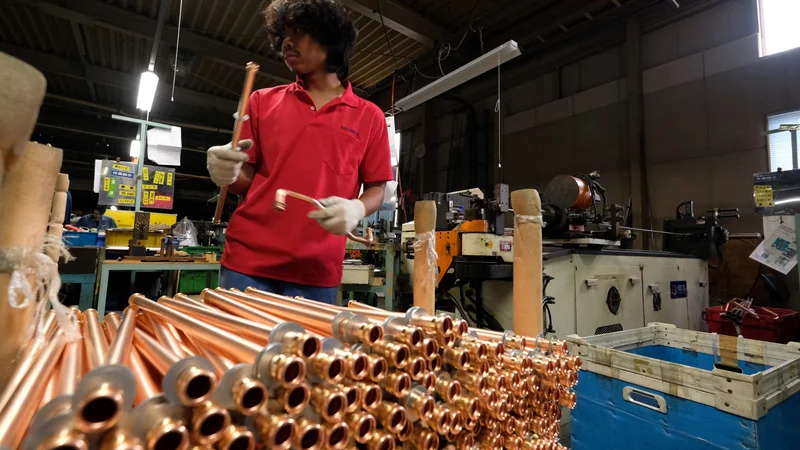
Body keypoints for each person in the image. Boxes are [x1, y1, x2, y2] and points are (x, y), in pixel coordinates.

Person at [206, 0, 393, 304]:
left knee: (306, 353)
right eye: (283, 36)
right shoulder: (261, 101)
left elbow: (376, 188)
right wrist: (225, 170)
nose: (287, 43)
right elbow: (245, 180)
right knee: (241, 351)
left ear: (330, 39)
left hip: (317, 270)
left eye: (299, 32)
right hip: (248, 262)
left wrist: (357, 209)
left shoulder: (369, 116)